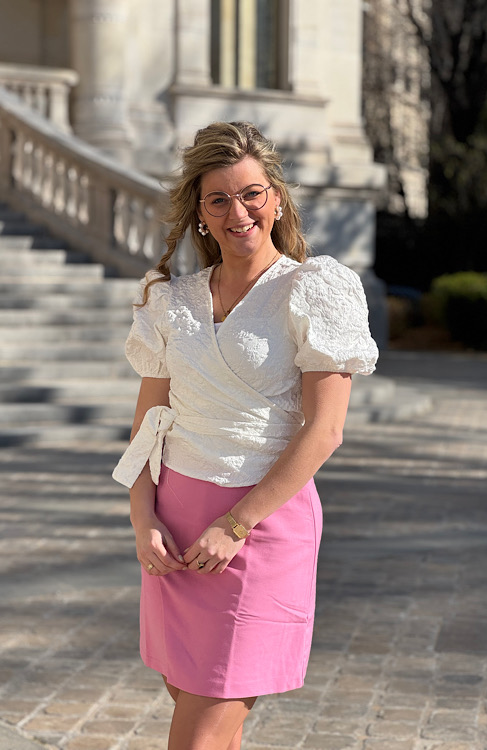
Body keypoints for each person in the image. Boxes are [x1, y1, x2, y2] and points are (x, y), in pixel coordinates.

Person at [112, 121, 378, 750]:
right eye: (219, 200)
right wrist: (143, 518)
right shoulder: (171, 301)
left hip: (260, 527)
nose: (239, 212)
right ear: (201, 214)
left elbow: (325, 431)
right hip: (174, 529)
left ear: (276, 199)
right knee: (203, 717)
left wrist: (235, 526)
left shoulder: (314, 289)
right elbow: (148, 425)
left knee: (199, 735)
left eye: (251, 193)